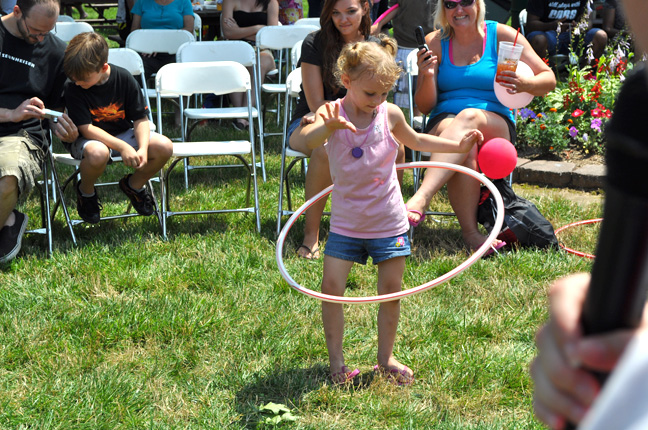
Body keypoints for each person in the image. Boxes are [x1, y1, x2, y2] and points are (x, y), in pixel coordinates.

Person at [293, 35, 483, 384]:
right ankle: (337, 365)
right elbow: (300, 142)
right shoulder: (331, 113)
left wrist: (457, 144)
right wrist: (328, 127)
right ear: (346, 82)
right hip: (347, 224)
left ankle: (386, 358)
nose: (377, 101)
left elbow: (418, 140)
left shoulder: (389, 113)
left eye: (384, 93)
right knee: (331, 289)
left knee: (391, 292)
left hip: (389, 222)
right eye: (370, 94)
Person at [403, 0, 555, 252]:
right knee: (466, 144)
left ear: (479, 4)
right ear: (443, 10)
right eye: (451, 4)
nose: (459, 10)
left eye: (466, 2)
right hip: (444, 122)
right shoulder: (434, 42)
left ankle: (422, 196)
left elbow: (548, 78)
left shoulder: (501, 35)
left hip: (495, 121)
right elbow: (425, 106)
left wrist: (525, 84)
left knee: (469, 117)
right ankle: (471, 234)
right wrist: (428, 75)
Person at [288, 0, 405, 260]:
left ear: (365, 7)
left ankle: (388, 224)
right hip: (313, 119)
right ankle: (312, 235)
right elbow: (316, 103)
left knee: (397, 146)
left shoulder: (377, 46)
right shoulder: (314, 43)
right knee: (323, 151)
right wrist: (336, 113)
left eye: (350, 11)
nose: (343, 19)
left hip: (363, 121)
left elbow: (379, 97)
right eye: (336, 13)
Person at [62, 32, 173, 224]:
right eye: (74, 78)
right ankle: (86, 192)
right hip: (88, 141)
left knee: (165, 146)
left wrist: (143, 149)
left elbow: (140, 119)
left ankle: (134, 186)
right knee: (98, 153)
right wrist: (123, 148)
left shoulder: (124, 78)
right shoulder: (74, 87)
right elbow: (87, 129)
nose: (77, 82)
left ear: (103, 67)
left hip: (122, 134)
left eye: (83, 79)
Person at [0, 0, 79, 264]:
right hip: (9, 118)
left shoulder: (57, 52)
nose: (40, 39)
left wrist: (62, 126)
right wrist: (9, 113)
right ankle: (9, 219)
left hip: (21, 135)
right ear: (16, 11)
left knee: (8, 174)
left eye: (48, 32)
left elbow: (55, 108)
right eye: (35, 31)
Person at [371, 0, 437, 116]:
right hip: (403, 46)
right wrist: (379, 24)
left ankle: (416, 124)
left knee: (421, 90)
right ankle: (395, 122)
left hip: (428, 46)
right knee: (400, 94)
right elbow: (395, 7)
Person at [221, 0, 278, 130]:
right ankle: (242, 117)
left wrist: (239, 31)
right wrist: (257, 29)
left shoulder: (270, 2)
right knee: (234, 63)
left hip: (262, 50)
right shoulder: (229, 1)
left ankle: (243, 115)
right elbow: (228, 33)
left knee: (259, 63)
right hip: (237, 48)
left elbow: (271, 36)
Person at [525, 0, 608, 63]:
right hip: (548, 34)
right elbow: (531, 24)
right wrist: (553, 26)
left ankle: (584, 75)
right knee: (538, 40)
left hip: (574, 34)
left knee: (601, 36)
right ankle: (545, 73)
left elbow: (588, 21)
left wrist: (579, 27)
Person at [129, 0, 195, 79]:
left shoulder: (184, 2)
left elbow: (189, 29)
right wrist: (145, 44)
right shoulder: (142, 2)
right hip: (148, 52)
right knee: (136, 70)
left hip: (176, 52)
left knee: (180, 76)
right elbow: (134, 30)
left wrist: (160, 44)